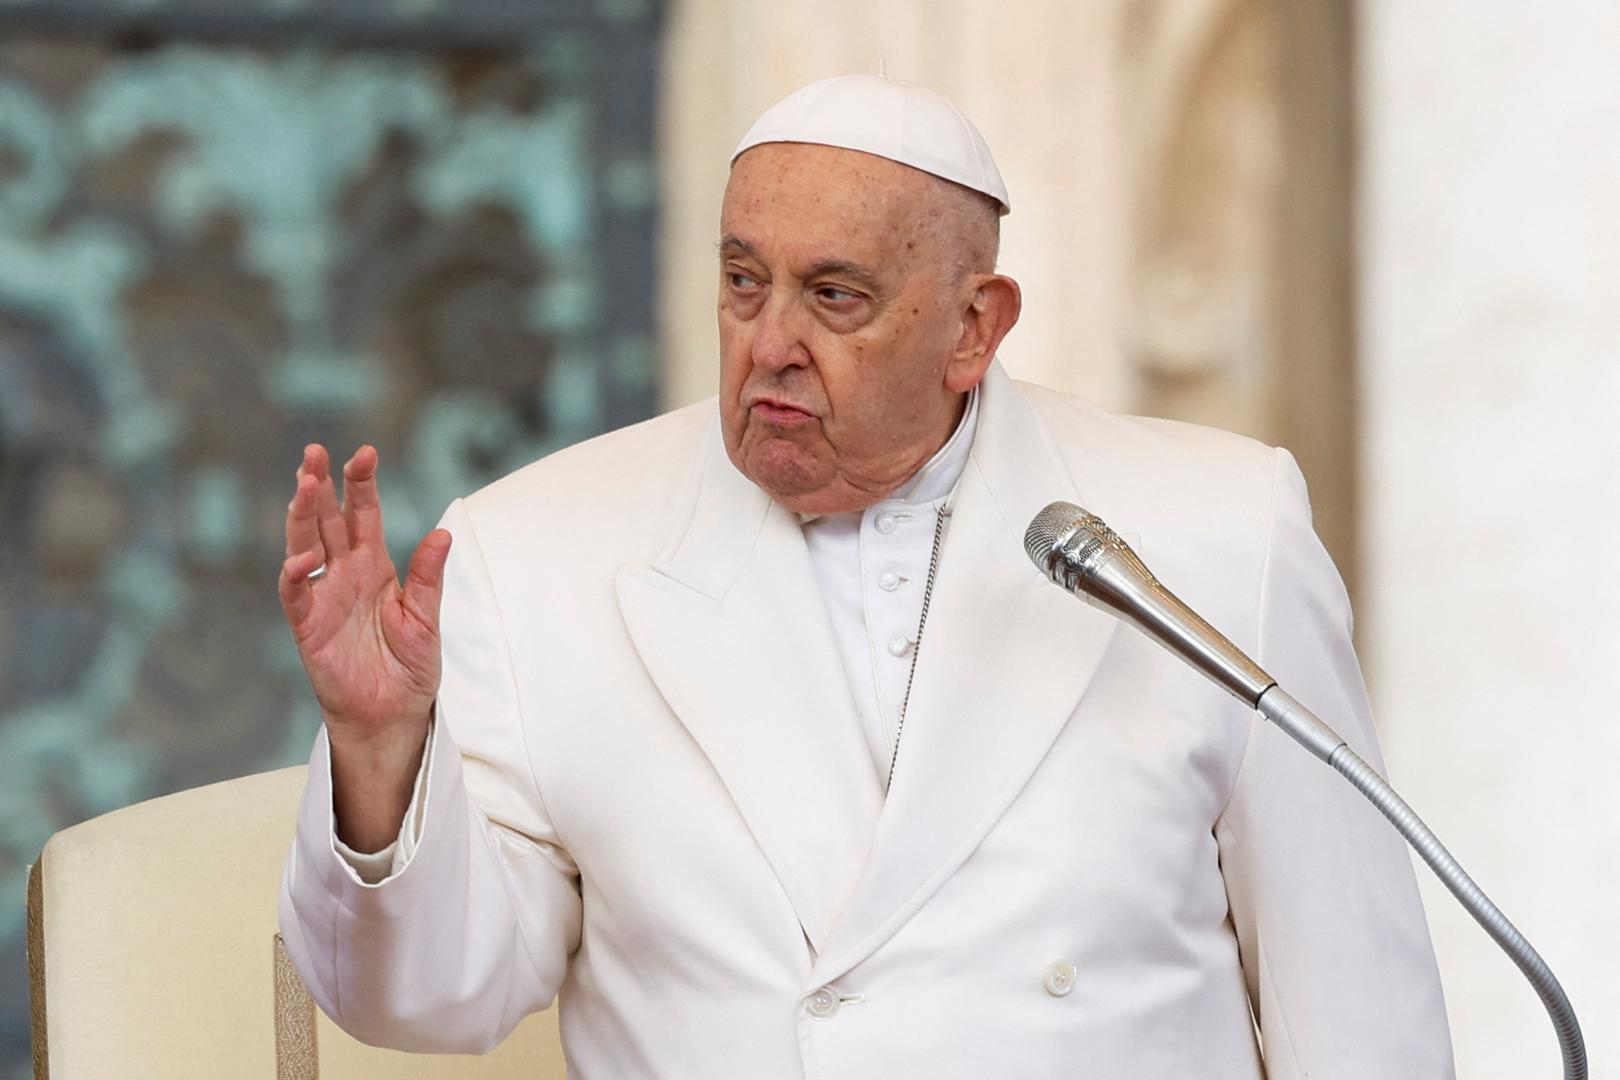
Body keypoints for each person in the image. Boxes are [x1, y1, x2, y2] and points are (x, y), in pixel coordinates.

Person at [278, 75, 1454, 1078]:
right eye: (745, 281)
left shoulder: (1215, 529)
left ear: (973, 328)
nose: (770, 341)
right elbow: (431, 998)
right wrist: (380, 749)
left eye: (835, 296)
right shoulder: (536, 546)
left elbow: (1354, 1001)